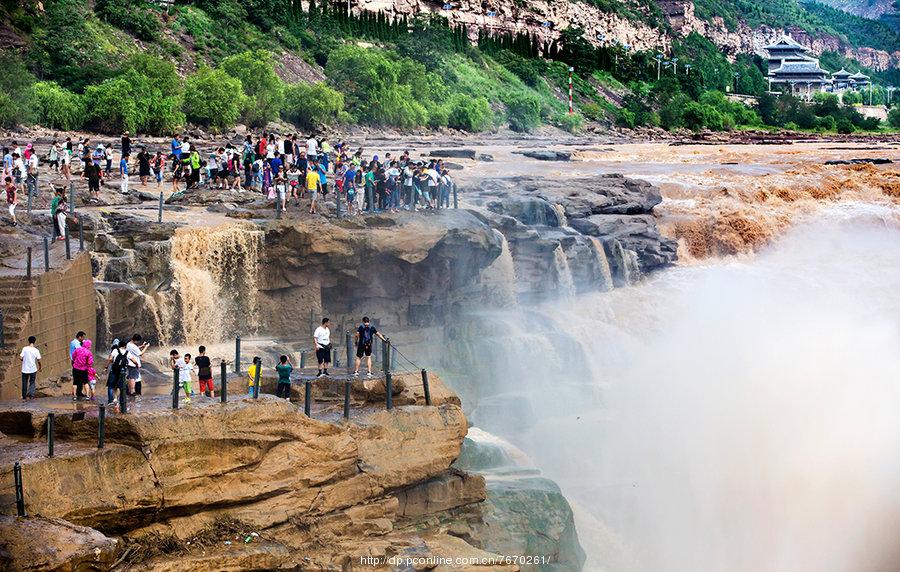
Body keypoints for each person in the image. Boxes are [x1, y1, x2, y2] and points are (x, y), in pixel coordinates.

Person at [107, 339, 129, 407]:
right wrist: (137, 365)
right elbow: (132, 360)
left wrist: (106, 366)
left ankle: (111, 401)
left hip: (114, 370)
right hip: (122, 371)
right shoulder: (127, 352)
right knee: (120, 386)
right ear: (125, 346)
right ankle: (118, 400)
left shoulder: (115, 350)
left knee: (111, 386)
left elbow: (110, 359)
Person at [19, 335, 41, 400]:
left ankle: (24, 396)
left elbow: (20, 357)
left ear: (28, 341)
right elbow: (39, 360)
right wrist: (40, 367)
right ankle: (31, 395)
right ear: (34, 342)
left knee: (24, 382)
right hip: (33, 369)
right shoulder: (36, 350)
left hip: (24, 369)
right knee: (32, 382)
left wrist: (23, 360)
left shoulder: (24, 348)